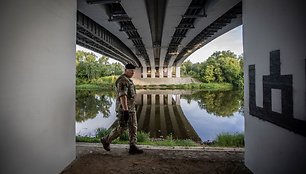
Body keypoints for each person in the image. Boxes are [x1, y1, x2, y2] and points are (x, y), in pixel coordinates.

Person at [101, 63, 143, 154]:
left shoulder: (128, 80)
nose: (133, 72)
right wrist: (126, 110)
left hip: (131, 108)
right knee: (122, 128)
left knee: (133, 127)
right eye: (131, 70)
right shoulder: (122, 80)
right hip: (124, 109)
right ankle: (106, 140)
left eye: (133, 71)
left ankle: (133, 146)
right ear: (126, 70)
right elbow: (123, 96)